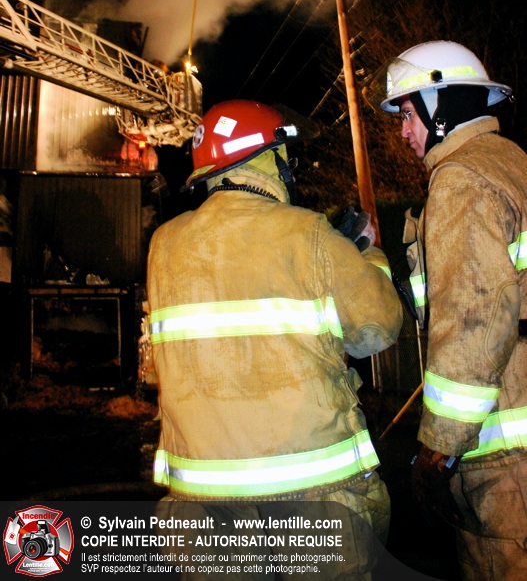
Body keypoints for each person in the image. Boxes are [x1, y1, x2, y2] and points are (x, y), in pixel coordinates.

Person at [146, 98, 403, 580]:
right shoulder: (308, 233)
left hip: (204, 506)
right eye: (288, 158)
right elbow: (376, 330)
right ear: (270, 158)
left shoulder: (163, 246)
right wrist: (367, 255)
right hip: (313, 497)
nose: (293, 169)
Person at [379, 40, 527, 580]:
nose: (402, 132)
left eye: (408, 114)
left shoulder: (461, 178)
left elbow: (472, 325)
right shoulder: (513, 163)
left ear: (442, 106)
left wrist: (437, 451)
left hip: (507, 462)